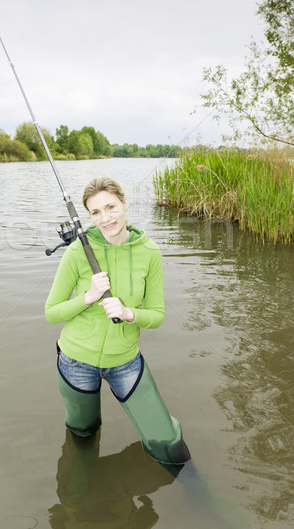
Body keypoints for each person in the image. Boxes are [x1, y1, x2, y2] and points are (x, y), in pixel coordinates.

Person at [45, 177, 190, 465]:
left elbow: (157, 316)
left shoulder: (149, 252)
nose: (105, 218)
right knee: (82, 435)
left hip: (125, 361)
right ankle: (81, 498)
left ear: (125, 203)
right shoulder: (77, 252)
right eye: (95, 212)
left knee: (170, 446)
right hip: (75, 362)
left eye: (111, 207)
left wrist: (128, 313)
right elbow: (52, 312)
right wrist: (88, 296)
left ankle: (194, 493)